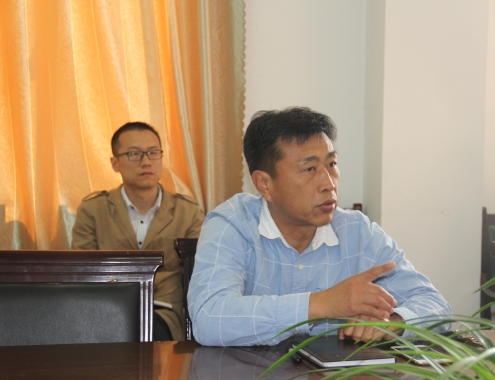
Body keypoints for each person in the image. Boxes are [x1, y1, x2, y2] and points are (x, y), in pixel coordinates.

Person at [188, 107, 451, 347]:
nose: (329, 183)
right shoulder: (232, 225)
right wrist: (320, 304)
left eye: (332, 165)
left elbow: (436, 305)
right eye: (310, 169)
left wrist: (393, 323)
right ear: (264, 184)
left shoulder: (358, 232)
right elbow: (210, 318)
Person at [72, 122, 205, 341]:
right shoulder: (93, 210)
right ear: (115, 163)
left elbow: (200, 273)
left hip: (164, 313)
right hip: (107, 310)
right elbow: (81, 272)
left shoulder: (187, 211)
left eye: (153, 153)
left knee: (145, 331)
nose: (146, 162)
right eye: (134, 154)